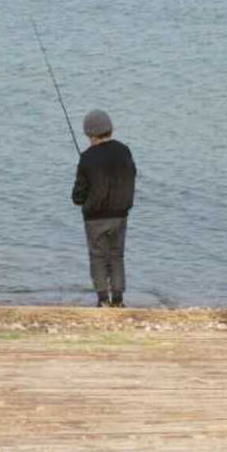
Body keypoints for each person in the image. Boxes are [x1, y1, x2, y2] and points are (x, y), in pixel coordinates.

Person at [70, 109, 136, 307]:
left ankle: (102, 300)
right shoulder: (124, 150)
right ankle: (118, 299)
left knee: (98, 257)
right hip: (120, 215)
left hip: (95, 218)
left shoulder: (87, 157)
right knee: (117, 255)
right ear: (110, 129)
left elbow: (78, 195)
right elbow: (132, 176)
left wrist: (82, 198)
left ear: (90, 134)